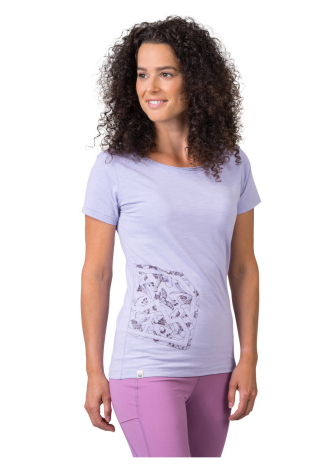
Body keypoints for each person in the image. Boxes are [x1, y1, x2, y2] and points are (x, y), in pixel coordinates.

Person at [80, 16, 261, 458]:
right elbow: (97, 273)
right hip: (146, 366)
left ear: (195, 80)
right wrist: (93, 370)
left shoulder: (233, 164)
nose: (151, 87)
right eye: (142, 74)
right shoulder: (115, 168)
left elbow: (243, 267)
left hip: (217, 367)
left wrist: (249, 357)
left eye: (166, 73)